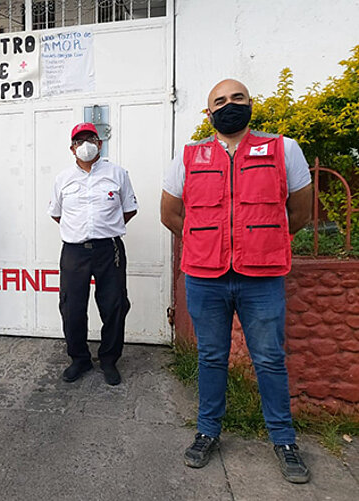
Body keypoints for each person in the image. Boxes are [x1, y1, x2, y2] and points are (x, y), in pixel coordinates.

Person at [160, 79, 313, 483]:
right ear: (209, 113)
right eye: (220, 101)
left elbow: (299, 212)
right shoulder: (190, 156)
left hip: (261, 278)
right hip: (205, 277)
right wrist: (205, 242)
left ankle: (283, 439)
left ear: (251, 104)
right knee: (211, 358)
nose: (230, 105)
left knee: (269, 358)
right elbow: (171, 214)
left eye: (237, 98)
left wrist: (263, 239)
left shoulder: (284, 149)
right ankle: (208, 431)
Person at [48, 123, 138, 385]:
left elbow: (129, 209)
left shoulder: (117, 173)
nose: (85, 144)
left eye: (90, 139)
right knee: (71, 307)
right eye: (79, 141)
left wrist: (105, 227)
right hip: (74, 251)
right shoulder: (63, 179)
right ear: (72, 148)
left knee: (114, 305)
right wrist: (79, 230)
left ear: (100, 144)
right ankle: (79, 359)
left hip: (109, 249)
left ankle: (109, 359)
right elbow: (57, 214)